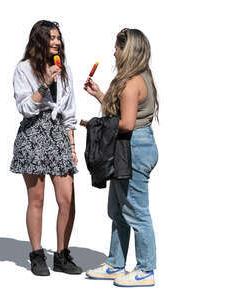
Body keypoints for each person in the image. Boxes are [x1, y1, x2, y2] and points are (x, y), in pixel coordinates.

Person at [84, 28, 159, 287]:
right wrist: (100, 96)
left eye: (116, 47)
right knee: (118, 210)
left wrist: (94, 125)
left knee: (136, 211)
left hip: (134, 147)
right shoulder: (140, 78)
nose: (113, 52)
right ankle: (116, 263)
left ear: (126, 51)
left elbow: (126, 123)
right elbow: (125, 114)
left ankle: (146, 269)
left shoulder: (131, 83)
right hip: (129, 146)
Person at [10, 20, 82, 276]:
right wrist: (44, 84)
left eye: (58, 37)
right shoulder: (24, 69)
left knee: (67, 200)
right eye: (52, 37)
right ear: (40, 40)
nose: (57, 42)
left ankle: (62, 255)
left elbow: (70, 111)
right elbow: (24, 107)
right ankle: (37, 254)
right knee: (37, 199)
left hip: (58, 133)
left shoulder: (65, 69)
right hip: (33, 133)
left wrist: (72, 144)